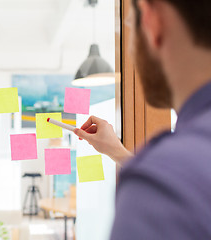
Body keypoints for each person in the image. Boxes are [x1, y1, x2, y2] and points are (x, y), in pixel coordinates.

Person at [75, 0, 211, 239]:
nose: (129, 51)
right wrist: (117, 151)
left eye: (129, 27)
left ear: (152, 20)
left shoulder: (161, 186)